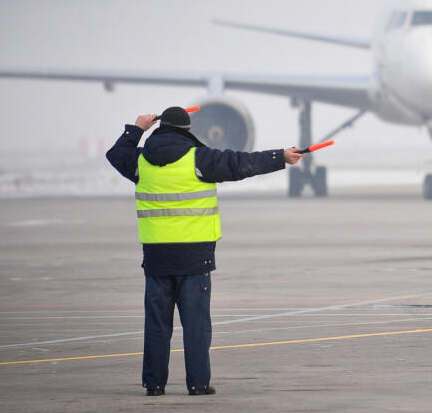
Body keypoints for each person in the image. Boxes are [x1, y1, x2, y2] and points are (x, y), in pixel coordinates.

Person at [106, 106, 303, 396]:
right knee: (196, 326)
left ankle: (154, 384)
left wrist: (136, 129)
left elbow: (115, 154)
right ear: (187, 130)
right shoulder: (200, 159)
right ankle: (197, 384)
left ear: (161, 128)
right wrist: (280, 156)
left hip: (157, 258)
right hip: (195, 258)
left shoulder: (140, 163)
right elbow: (242, 163)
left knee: (157, 326)